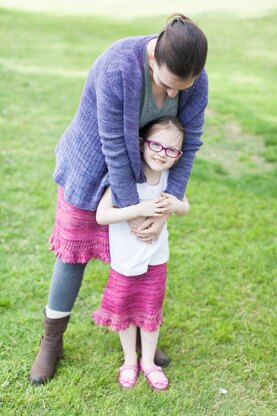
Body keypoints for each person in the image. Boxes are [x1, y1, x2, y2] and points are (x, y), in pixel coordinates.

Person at [29, 13, 208, 385]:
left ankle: (144, 339)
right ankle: (52, 341)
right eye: (168, 84)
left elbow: (188, 143)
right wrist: (130, 211)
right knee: (72, 254)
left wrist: (165, 205)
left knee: (140, 257)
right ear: (153, 56)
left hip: (148, 177)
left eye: (183, 87)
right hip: (92, 164)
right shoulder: (118, 65)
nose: (174, 94)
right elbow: (113, 144)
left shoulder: (195, 79)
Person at [92, 117, 190, 391]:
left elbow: (185, 208)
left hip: (156, 259)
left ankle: (149, 362)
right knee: (124, 311)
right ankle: (129, 361)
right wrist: (139, 208)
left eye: (171, 150)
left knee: (150, 311)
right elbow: (102, 215)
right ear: (142, 144)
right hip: (125, 260)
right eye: (156, 145)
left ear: (179, 155)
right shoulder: (126, 178)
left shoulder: (170, 179)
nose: (162, 153)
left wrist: (175, 204)